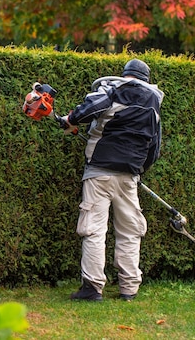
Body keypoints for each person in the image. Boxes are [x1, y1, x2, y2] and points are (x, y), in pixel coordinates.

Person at [61, 58, 164, 302]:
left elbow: (91, 107)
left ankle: (92, 288)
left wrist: (70, 120)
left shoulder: (113, 90)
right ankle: (129, 289)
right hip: (129, 176)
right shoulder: (154, 105)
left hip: (99, 172)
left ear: (125, 74)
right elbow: (154, 148)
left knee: (94, 229)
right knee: (130, 232)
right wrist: (139, 170)